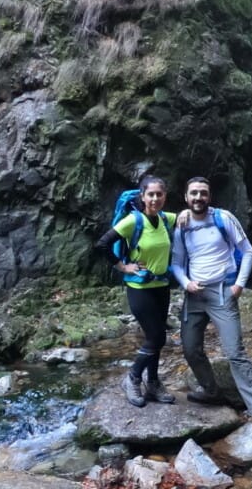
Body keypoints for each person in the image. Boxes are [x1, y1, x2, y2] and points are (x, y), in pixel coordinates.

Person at [169, 176, 252, 437]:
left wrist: (238, 285)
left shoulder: (223, 218)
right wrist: (185, 283)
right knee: (191, 349)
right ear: (185, 197)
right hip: (194, 295)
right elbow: (177, 263)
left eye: (203, 193)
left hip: (222, 292)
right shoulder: (181, 225)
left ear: (209, 196)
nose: (198, 198)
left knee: (234, 352)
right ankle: (211, 391)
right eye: (193, 193)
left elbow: (247, 251)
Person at [95, 175, 176, 408]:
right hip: (139, 288)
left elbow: (188, 218)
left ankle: (153, 383)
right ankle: (132, 377)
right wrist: (122, 266)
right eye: (150, 194)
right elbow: (102, 243)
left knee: (155, 338)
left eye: (159, 194)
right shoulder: (133, 220)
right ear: (143, 196)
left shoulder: (165, 219)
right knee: (157, 337)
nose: (155, 198)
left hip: (161, 287)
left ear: (164, 197)